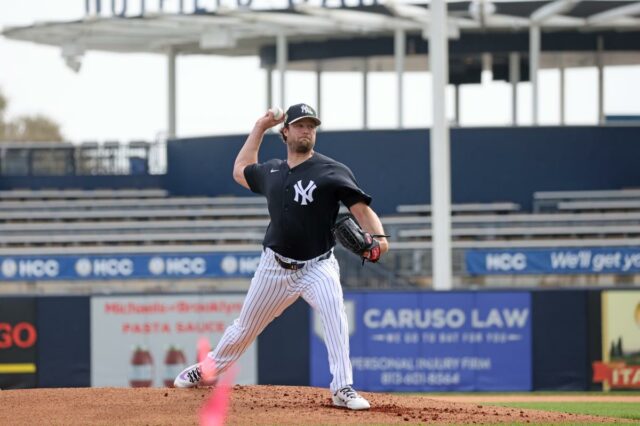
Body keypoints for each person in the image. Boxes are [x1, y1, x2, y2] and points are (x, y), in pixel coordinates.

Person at [174, 103, 389, 410]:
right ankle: (208, 369)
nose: (306, 130)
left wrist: (380, 240)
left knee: (335, 316)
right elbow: (239, 171)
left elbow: (361, 210)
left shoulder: (331, 171)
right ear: (285, 131)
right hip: (274, 267)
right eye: (300, 125)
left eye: (311, 126)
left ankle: (342, 387)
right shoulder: (272, 171)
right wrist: (260, 127)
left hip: (318, 265)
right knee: (244, 328)